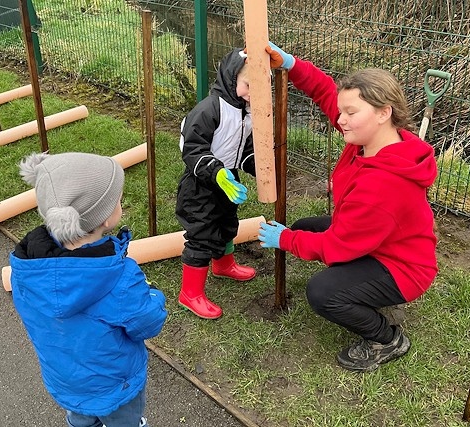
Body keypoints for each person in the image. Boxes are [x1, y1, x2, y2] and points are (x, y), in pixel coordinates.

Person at [258, 43, 438, 372]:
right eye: (342, 111)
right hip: (380, 242)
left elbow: (336, 246)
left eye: (350, 113)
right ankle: (365, 291)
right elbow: (328, 93)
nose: (340, 119)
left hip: (402, 267)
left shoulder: (383, 185)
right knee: (305, 226)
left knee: (323, 292)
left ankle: (386, 338)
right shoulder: (373, 139)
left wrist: (284, 241)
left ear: (384, 112)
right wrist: (292, 64)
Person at [9, 152, 168, 427]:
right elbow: (147, 323)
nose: (120, 202)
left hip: (65, 381)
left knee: (81, 419)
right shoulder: (118, 278)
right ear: (104, 219)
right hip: (115, 386)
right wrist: (155, 297)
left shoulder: (27, 270)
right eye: (116, 200)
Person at [176, 47, 257, 320]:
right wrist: (217, 173)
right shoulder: (210, 109)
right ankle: (190, 293)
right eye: (248, 86)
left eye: (258, 89)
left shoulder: (247, 110)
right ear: (232, 78)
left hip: (227, 180)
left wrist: (258, 166)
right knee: (202, 233)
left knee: (226, 224)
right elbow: (192, 149)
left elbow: (243, 149)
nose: (251, 94)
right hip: (201, 184)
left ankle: (224, 265)